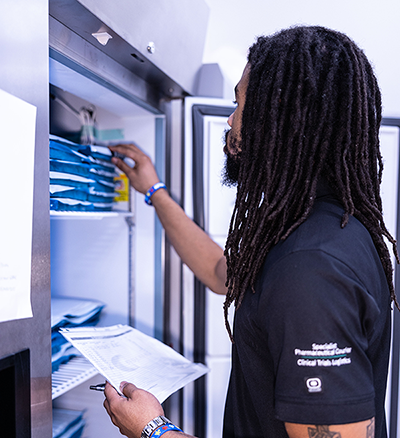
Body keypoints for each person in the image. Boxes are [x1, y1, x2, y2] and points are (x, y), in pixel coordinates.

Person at [103, 25, 399, 438]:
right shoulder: (313, 229)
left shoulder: (311, 269)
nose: (229, 120)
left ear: (279, 117)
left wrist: (153, 430)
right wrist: (154, 191)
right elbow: (220, 272)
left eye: (237, 103)